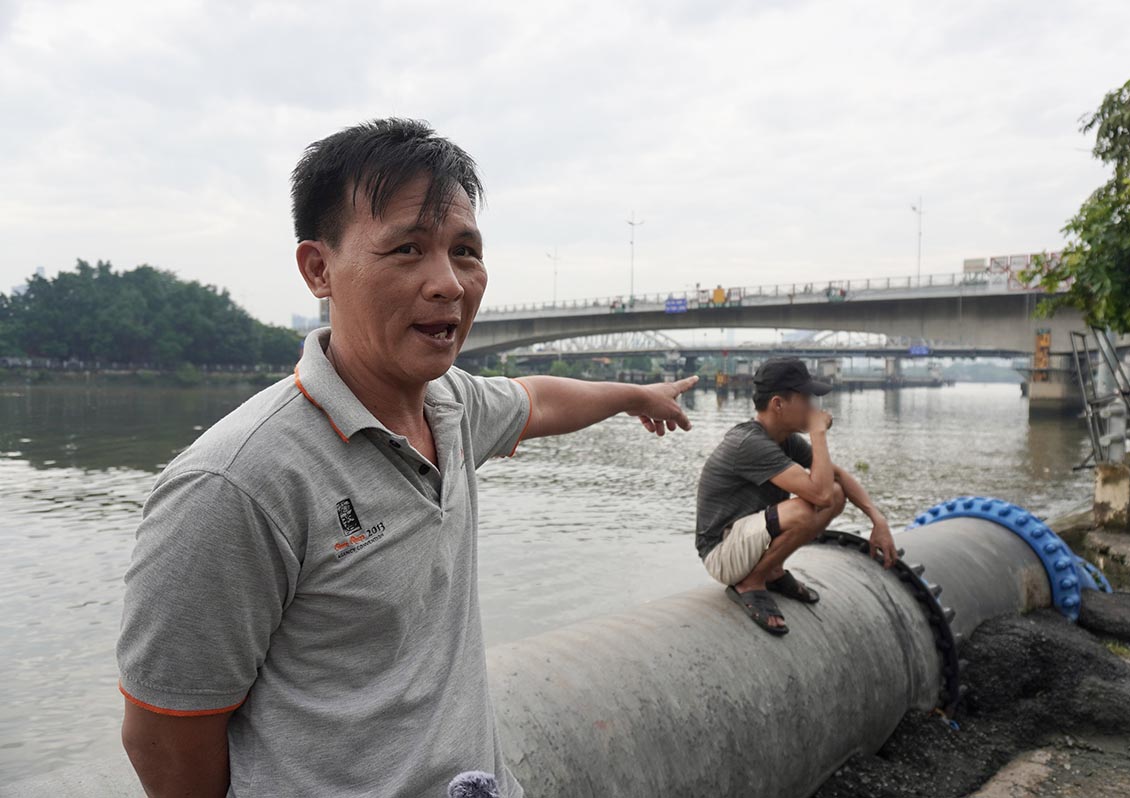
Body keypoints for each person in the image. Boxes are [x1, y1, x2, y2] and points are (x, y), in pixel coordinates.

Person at [117, 118, 698, 798]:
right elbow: (165, 732)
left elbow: (538, 400)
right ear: (318, 268)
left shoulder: (451, 406)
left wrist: (635, 394)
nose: (448, 283)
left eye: (465, 251)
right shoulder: (235, 483)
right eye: (407, 250)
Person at [694, 357, 897, 635]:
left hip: (747, 542)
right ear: (778, 404)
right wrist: (818, 435)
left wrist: (878, 520)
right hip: (721, 553)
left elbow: (836, 480)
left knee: (837, 494)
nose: (813, 408)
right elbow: (820, 495)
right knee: (807, 508)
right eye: (806, 399)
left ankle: (773, 571)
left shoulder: (784, 439)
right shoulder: (750, 443)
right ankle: (751, 583)